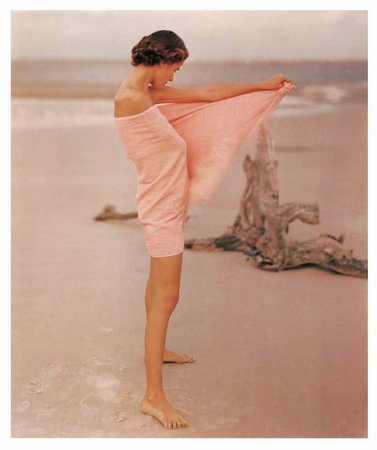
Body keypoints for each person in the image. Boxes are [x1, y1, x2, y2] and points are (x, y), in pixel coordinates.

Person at [114, 30, 293, 430]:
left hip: (165, 203)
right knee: (167, 296)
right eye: (175, 68)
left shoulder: (143, 90)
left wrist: (262, 86)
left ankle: (156, 351)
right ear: (165, 59)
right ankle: (153, 397)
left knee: (157, 290)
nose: (175, 78)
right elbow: (193, 100)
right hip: (160, 210)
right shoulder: (135, 97)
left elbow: (209, 95)